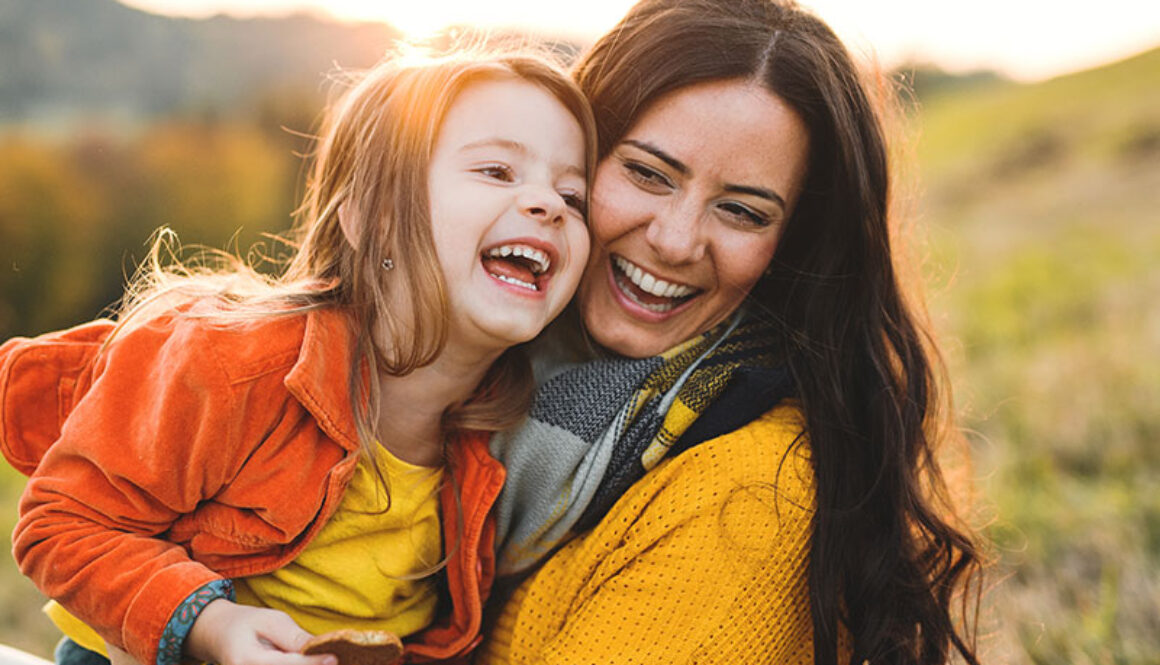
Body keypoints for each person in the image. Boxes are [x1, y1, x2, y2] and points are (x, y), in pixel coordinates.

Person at [0, 49, 595, 665]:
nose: (547, 203)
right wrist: (211, 625)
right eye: (498, 171)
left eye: (573, 196)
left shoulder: (510, 436)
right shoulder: (233, 363)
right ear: (373, 220)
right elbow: (59, 524)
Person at [478, 1, 983, 663]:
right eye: (647, 173)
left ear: (793, 243)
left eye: (742, 211)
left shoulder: (746, 498)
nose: (676, 239)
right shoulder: (476, 371)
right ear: (574, 156)